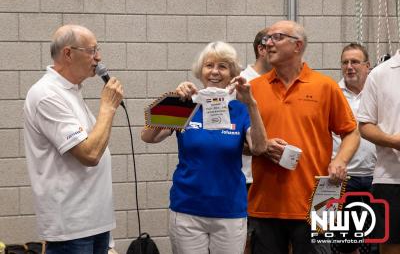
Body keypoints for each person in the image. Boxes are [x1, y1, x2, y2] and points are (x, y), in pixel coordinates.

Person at [141, 41, 267, 254]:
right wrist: (172, 101)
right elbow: (148, 136)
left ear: (232, 74)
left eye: (222, 66)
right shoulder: (184, 104)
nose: (215, 72)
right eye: (209, 65)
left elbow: (259, 148)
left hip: (230, 210)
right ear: (200, 71)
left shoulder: (239, 109)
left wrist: (251, 104)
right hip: (187, 209)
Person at [248, 20, 360, 254]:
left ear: (297, 45)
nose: (268, 43)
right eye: (266, 39)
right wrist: (260, 145)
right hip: (266, 203)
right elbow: (239, 141)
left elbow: (351, 132)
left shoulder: (325, 87)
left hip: (318, 202)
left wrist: (340, 161)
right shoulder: (253, 88)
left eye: (276, 37)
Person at [23, 24, 123, 254]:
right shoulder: (46, 94)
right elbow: (89, 154)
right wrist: (107, 108)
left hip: (94, 223)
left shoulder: (71, 92)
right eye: (92, 50)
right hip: (71, 229)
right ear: (68, 53)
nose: (99, 57)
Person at [331, 43, 377, 254]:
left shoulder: (378, 92)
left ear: (367, 66)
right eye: (345, 62)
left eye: (355, 62)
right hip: (341, 180)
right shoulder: (331, 93)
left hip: (376, 178)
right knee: (343, 245)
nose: (349, 67)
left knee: (377, 241)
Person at [358, 49, 400, 254]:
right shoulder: (380, 74)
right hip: (391, 179)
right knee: (392, 246)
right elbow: (365, 125)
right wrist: (393, 141)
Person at [241, 27, 272, 190]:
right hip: (248, 175)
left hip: (275, 172)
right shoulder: (241, 82)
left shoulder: (280, 83)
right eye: (272, 47)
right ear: (261, 49)